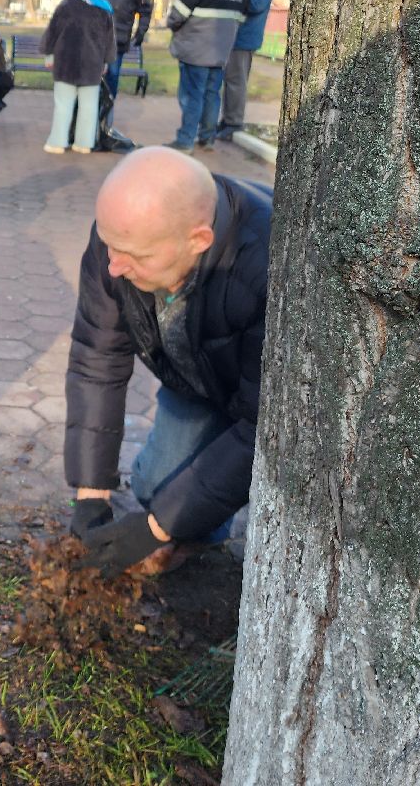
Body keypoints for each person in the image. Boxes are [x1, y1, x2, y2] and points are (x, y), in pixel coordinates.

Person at [62, 147, 271, 577]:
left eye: (133, 256)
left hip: (259, 399)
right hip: (195, 378)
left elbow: (262, 427)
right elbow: (96, 359)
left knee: (174, 508)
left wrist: (155, 529)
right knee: (157, 488)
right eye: (108, 245)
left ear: (198, 240)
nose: (113, 267)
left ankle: (199, 544)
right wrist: (90, 496)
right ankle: (189, 529)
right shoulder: (121, 243)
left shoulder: (270, 269)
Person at [164, 0, 250, 152]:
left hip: (195, 48)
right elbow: (242, 15)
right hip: (221, 50)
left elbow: (180, 11)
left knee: (192, 95)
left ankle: (185, 140)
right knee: (212, 94)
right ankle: (207, 137)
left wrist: (173, 24)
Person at [40, 0, 116, 155]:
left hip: (66, 62)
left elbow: (53, 31)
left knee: (63, 105)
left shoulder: (67, 4)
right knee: (89, 107)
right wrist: (106, 61)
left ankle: (57, 142)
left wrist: (49, 54)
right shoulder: (104, 7)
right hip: (92, 64)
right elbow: (109, 39)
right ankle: (84, 143)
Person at [217, 0, 275, 140]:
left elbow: (257, 3)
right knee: (230, 79)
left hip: (245, 36)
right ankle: (227, 119)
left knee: (237, 81)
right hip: (236, 35)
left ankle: (234, 122)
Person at [99, 0, 154, 102]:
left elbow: (145, 11)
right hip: (97, 36)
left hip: (119, 39)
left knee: (113, 75)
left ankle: (107, 114)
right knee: (92, 75)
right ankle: (88, 114)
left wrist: (140, 33)